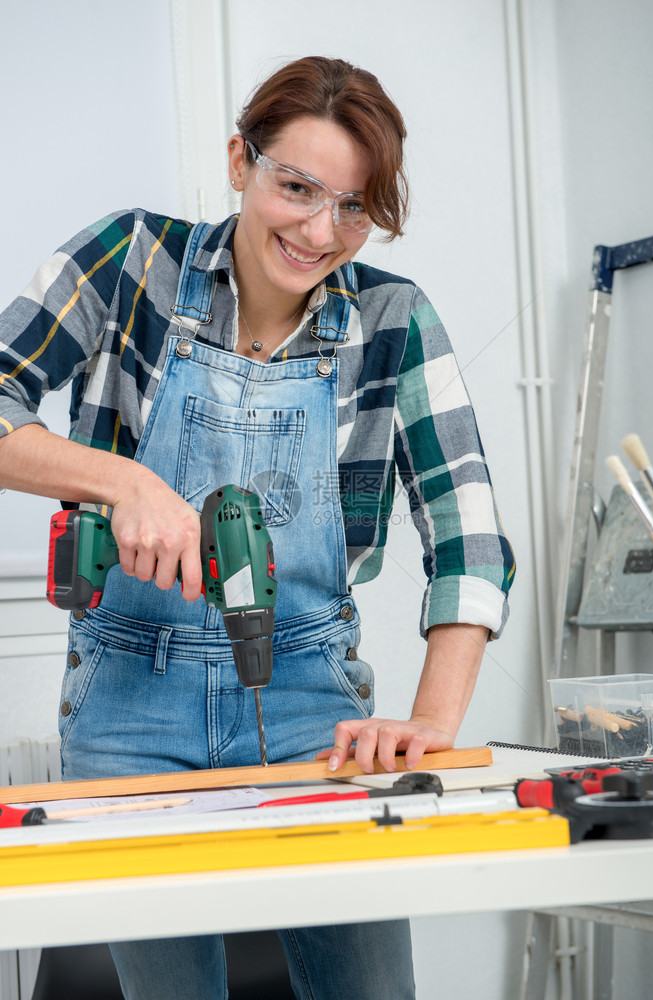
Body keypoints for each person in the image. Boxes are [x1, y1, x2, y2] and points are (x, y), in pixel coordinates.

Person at [0, 56, 514, 1000]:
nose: (320, 232)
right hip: (128, 707)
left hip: (319, 709)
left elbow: (467, 534)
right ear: (240, 159)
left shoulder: (392, 319)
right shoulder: (128, 263)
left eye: (353, 207)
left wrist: (432, 727)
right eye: (296, 187)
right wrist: (121, 482)